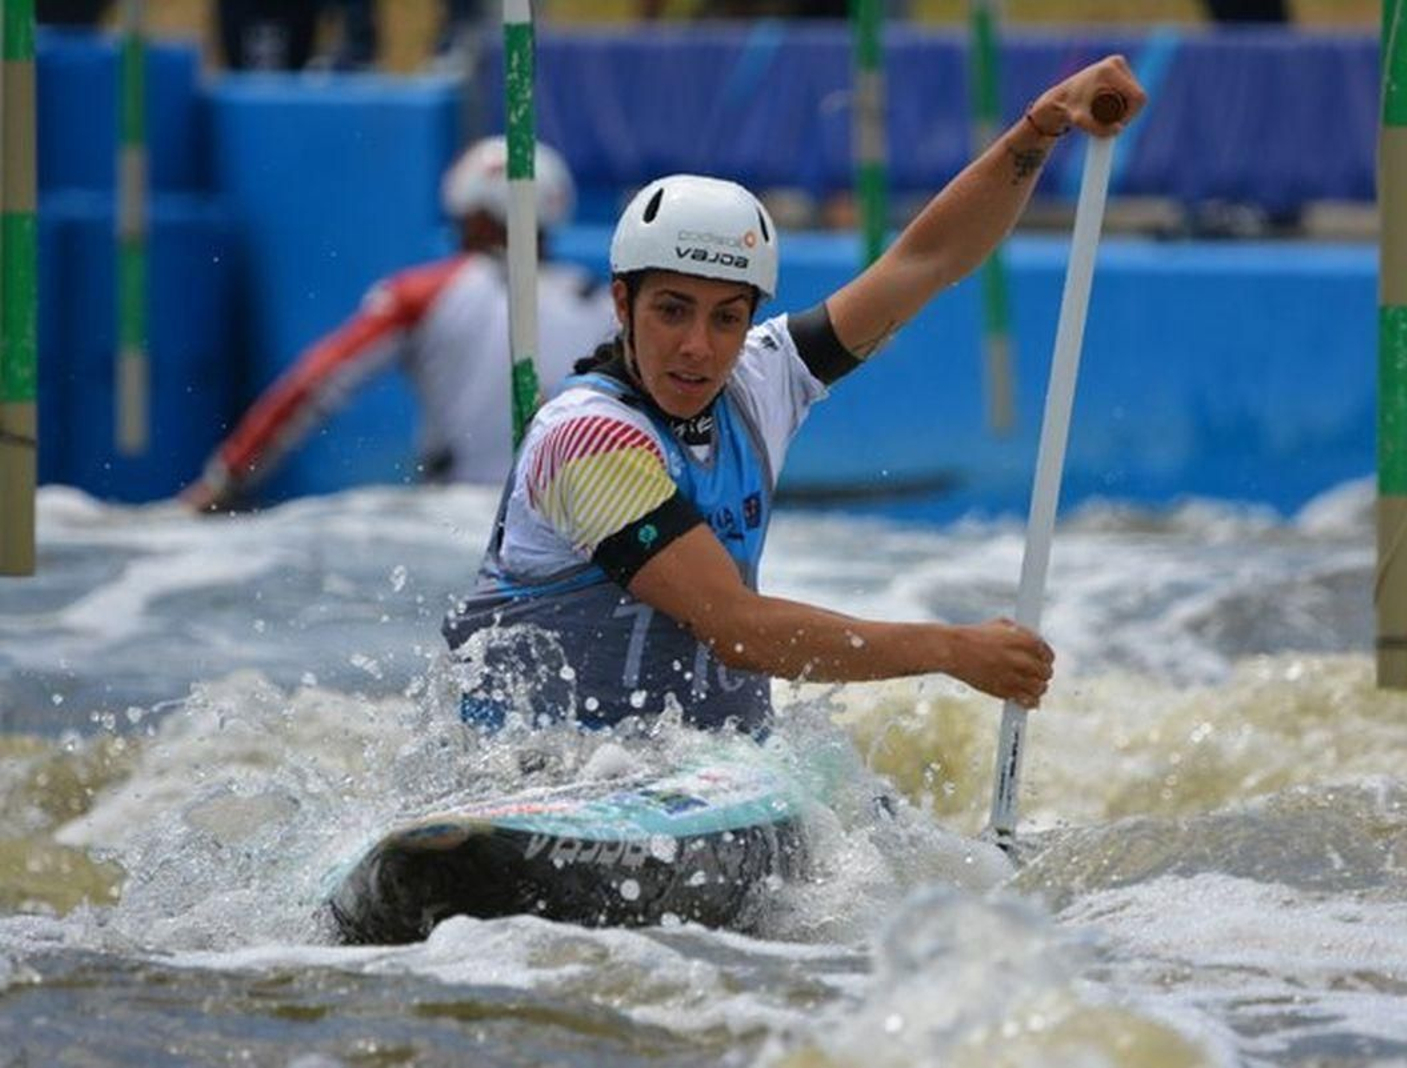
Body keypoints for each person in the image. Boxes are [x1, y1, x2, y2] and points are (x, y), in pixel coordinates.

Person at [443, 56, 1145, 737]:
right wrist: (951, 650)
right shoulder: (586, 439)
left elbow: (927, 261)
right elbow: (736, 630)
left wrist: (1041, 125)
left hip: (703, 777)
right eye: (672, 310)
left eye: (727, 318)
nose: (698, 345)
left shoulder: (760, 378)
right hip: (532, 772)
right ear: (624, 303)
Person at [182, 137, 616, 511]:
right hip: (563, 522)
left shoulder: (423, 294)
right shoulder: (599, 303)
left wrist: (225, 479)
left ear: (473, 215)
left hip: (453, 518)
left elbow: (315, 383)